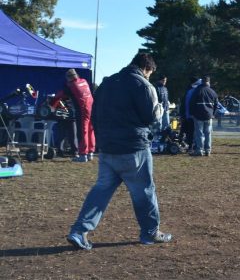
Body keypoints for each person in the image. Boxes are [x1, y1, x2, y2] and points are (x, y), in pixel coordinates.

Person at [66, 53, 171, 250]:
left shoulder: (107, 83)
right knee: (144, 192)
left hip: (107, 148)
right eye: (149, 73)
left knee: (101, 191)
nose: (149, 76)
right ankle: (150, 232)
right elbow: (151, 116)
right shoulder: (142, 84)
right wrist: (161, 109)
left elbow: (93, 113)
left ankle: (79, 231)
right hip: (133, 149)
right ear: (146, 68)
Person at [51, 69, 95, 162]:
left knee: (83, 132)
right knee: (91, 130)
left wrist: (51, 103)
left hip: (83, 110)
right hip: (92, 107)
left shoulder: (71, 85)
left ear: (69, 78)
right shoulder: (84, 81)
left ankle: (83, 155)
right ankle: (90, 153)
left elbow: (60, 95)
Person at [189, 76, 219, 156]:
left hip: (198, 115)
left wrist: (192, 113)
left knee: (199, 133)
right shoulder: (212, 92)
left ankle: (199, 150)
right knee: (208, 133)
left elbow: (191, 103)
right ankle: (208, 150)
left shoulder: (197, 91)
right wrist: (213, 114)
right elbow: (216, 104)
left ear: (202, 82)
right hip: (209, 115)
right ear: (208, 82)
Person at [179, 77, 200, 150]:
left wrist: (183, 114)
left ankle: (189, 145)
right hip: (191, 115)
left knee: (189, 132)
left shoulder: (189, 90)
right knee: (191, 132)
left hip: (188, 115)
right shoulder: (194, 90)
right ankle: (191, 145)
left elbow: (184, 104)